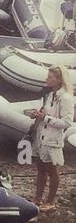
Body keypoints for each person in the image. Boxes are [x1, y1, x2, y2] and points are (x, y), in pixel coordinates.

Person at [26, 65, 73, 211]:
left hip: (53, 139)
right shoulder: (49, 95)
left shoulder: (66, 98)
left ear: (59, 80)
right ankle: (38, 198)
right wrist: (38, 114)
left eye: (50, 77)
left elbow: (66, 122)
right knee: (40, 168)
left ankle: (51, 201)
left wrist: (45, 118)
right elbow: (45, 113)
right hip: (42, 137)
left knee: (52, 170)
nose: (47, 79)